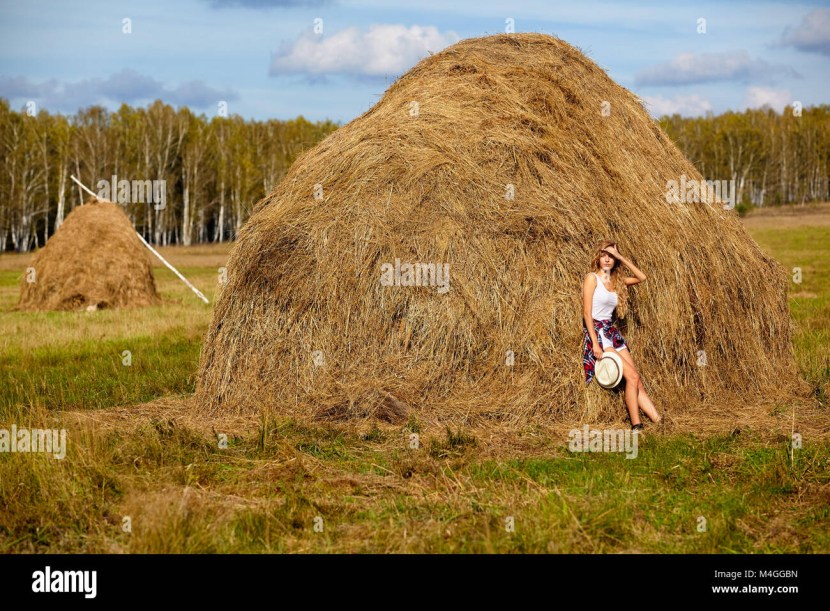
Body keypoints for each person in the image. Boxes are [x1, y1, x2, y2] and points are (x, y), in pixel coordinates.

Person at [582, 240, 661, 430]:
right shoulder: (592, 279)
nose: (607, 259)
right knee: (632, 376)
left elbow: (642, 277)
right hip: (600, 333)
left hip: (613, 333)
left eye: (611, 256)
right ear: (598, 257)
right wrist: (595, 342)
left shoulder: (616, 282)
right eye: (604, 255)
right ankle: (636, 425)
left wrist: (621, 257)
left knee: (637, 380)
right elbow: (586, 313)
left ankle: (659, 421)